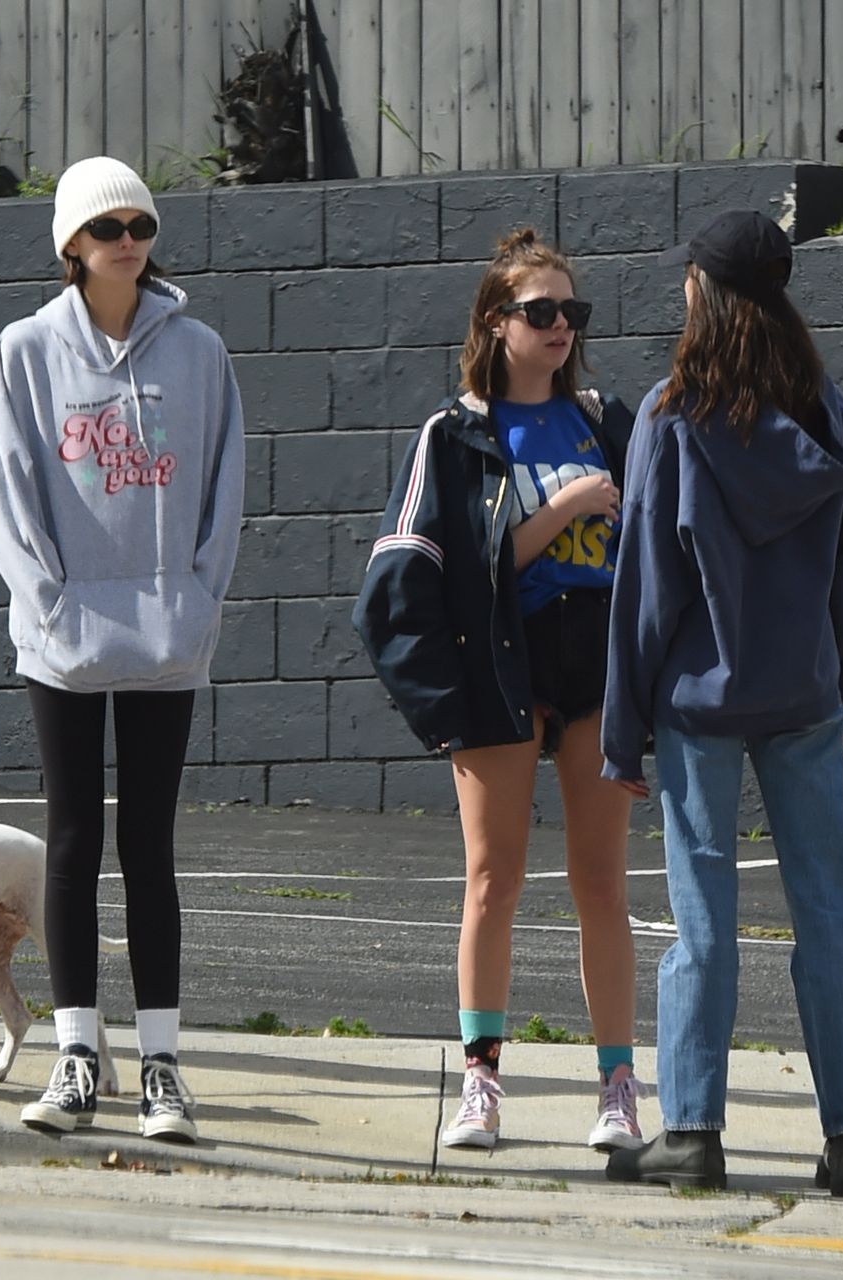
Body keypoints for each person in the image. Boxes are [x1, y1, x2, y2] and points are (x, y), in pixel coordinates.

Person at [600, 209, 843, 1196]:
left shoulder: (674, 415)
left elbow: (646, 583)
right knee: (827, 915)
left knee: (704, 920)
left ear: (703, 291)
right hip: (803, 691)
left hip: (700, 704)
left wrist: (621, 728)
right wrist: (839, 672)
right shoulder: (827, 411)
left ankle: (693, 1130)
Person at [354, 228, 643, 1154]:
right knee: (494, 877)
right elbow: (441, 580)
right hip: (500, 664)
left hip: (593, 663)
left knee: (601, 881)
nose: (561, 326)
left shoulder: (605, 419)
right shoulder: (456, 433)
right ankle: (480, 1080)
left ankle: (618, 1088)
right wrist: (558, 512)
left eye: (573, 311)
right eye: (541, 311)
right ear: (496, 322)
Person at [0, 156, 244, 1145]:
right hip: (63, 641)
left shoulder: (201, 351)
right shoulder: (25, 351)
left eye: (139, 223)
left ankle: (165, 1064)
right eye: (107, 227)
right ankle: (78, 1051)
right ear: (71, 247)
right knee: (73, 841)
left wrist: (198, 601)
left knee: (150, 847)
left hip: (167, 640)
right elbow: (5, 492)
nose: (128, 239)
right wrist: (50, 605)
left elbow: (225, 486)